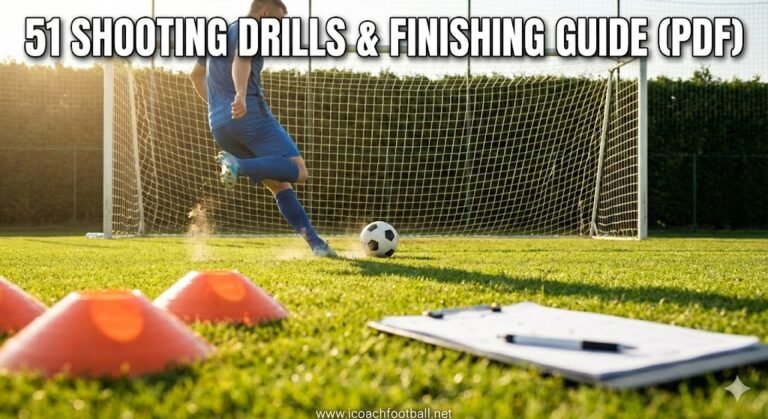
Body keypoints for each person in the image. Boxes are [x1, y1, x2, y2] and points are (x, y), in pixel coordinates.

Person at [189, 0, 336, 257]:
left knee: (279, 185)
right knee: (298, 170)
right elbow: (241, 60)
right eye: (278, 21)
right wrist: (240, 96)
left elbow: (195, 75)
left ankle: (317, 245)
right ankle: (238, 166)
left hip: (220, 125)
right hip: (251, 117)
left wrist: (219, 106)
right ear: (265, 12)